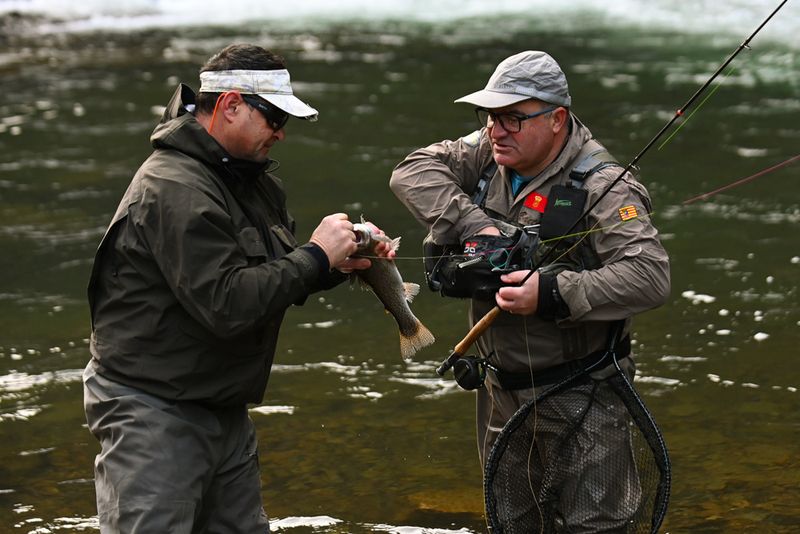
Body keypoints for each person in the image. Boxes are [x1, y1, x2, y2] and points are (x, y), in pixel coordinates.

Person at [83, 43, 390, 533]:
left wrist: (336, 263)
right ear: (230, 105)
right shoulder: (175, 187)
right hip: (153, 410)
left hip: (221, 406)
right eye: (272, 118)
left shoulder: (248, 179)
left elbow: (268, 275)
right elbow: (228, 303)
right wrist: (313, 256)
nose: (281, 133)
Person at [390, 50, 670, 531]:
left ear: (557, 118)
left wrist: (552, 292)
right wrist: (479, 225)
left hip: (582, 395)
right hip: (501, 395)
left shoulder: (605, 186)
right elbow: (410, 172)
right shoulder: (488, 150)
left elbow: (649, 276)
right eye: (491, 116)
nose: (497, 130)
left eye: (513, 118)